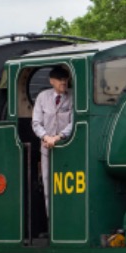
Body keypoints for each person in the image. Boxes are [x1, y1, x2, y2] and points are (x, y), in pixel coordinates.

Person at [31, 65, 73, 215]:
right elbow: (36, 122)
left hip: (68, 147)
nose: (64, 83)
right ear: (52, 81)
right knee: (48, 188)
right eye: (60, 80)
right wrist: (46, 137)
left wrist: (59, 137)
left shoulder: (73, 97)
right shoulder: (42, 97)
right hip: (47, 149)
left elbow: (73, 122)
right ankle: (51, 224)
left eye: (66, 80)